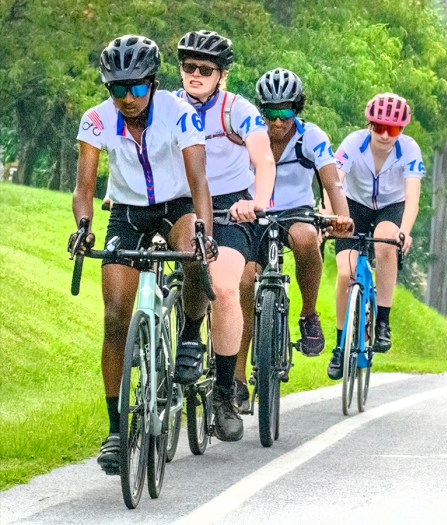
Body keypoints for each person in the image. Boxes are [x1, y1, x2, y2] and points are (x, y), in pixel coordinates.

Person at [69, 35, 214, 474]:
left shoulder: (180, 114)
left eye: (136, 87)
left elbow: (199, 179)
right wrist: (83, 227)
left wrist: (204, 228)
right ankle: (115, 430)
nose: (127, 98)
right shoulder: (95, 121)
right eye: (118, 89)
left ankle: (190, 332)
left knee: (192, 252)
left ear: (152, 83)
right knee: (115, 316)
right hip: (127, 213)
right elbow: (84, 189)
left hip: (176, 205)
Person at [175, 30, 276, 440]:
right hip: (181, 202)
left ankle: (222, 393)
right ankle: (184, 337)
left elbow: (264, 160)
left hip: (232, 207)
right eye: (188, 67)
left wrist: (258, 201)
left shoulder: (238, 110)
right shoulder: (167, 106)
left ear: (222, 75)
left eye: (205, 69)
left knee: (225, 288)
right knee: (175, 268)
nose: (195, 75)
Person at [233, 68, 353, 408]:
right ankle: (237, 381)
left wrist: (342, 217)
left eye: (285, 112)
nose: (277, 121)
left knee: (305, 238)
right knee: (243, 282)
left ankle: (309, 314)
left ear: (296, 110)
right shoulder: (249, 134)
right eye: (269, 113)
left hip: (294, 211)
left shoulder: (311, 136)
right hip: (253, 212)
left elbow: (332, 183)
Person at [327, 93, 424, 380]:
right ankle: (339, 343)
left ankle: (383, 321)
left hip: (391, 208)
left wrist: (404, 231)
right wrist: (330, 217)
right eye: (378, 127)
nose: (384, 135)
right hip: (353, 206)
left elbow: (412, 197)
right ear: (369, 125)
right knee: (345, 273)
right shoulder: (353, 143)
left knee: (386, 243)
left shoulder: (409, 149)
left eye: (392, 129)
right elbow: (334, 182)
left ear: (402, 130)